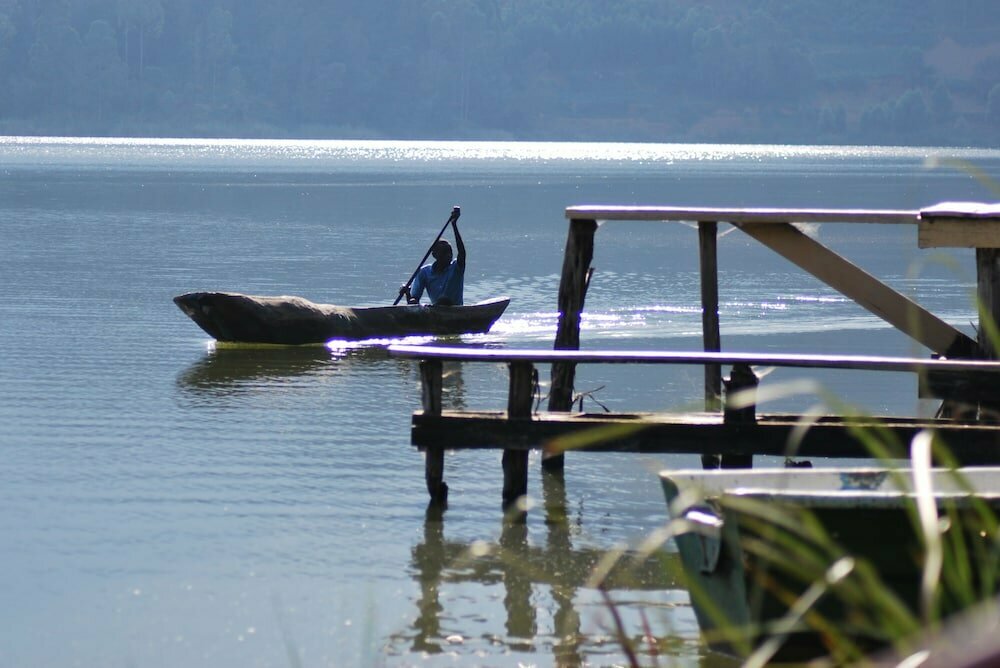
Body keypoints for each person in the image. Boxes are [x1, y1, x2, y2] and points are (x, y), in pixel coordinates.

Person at [400, 217, 465, 306]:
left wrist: (454, 225)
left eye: (450, 252)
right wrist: (407, 293)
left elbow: (462, 253)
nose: (449, 255)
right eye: (445, 252)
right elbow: (413, 302)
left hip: (456, 311)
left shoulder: (456, 268)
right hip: (436, 312)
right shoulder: (424, 272)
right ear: (435, 255)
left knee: (444, 300)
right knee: (440, 301)